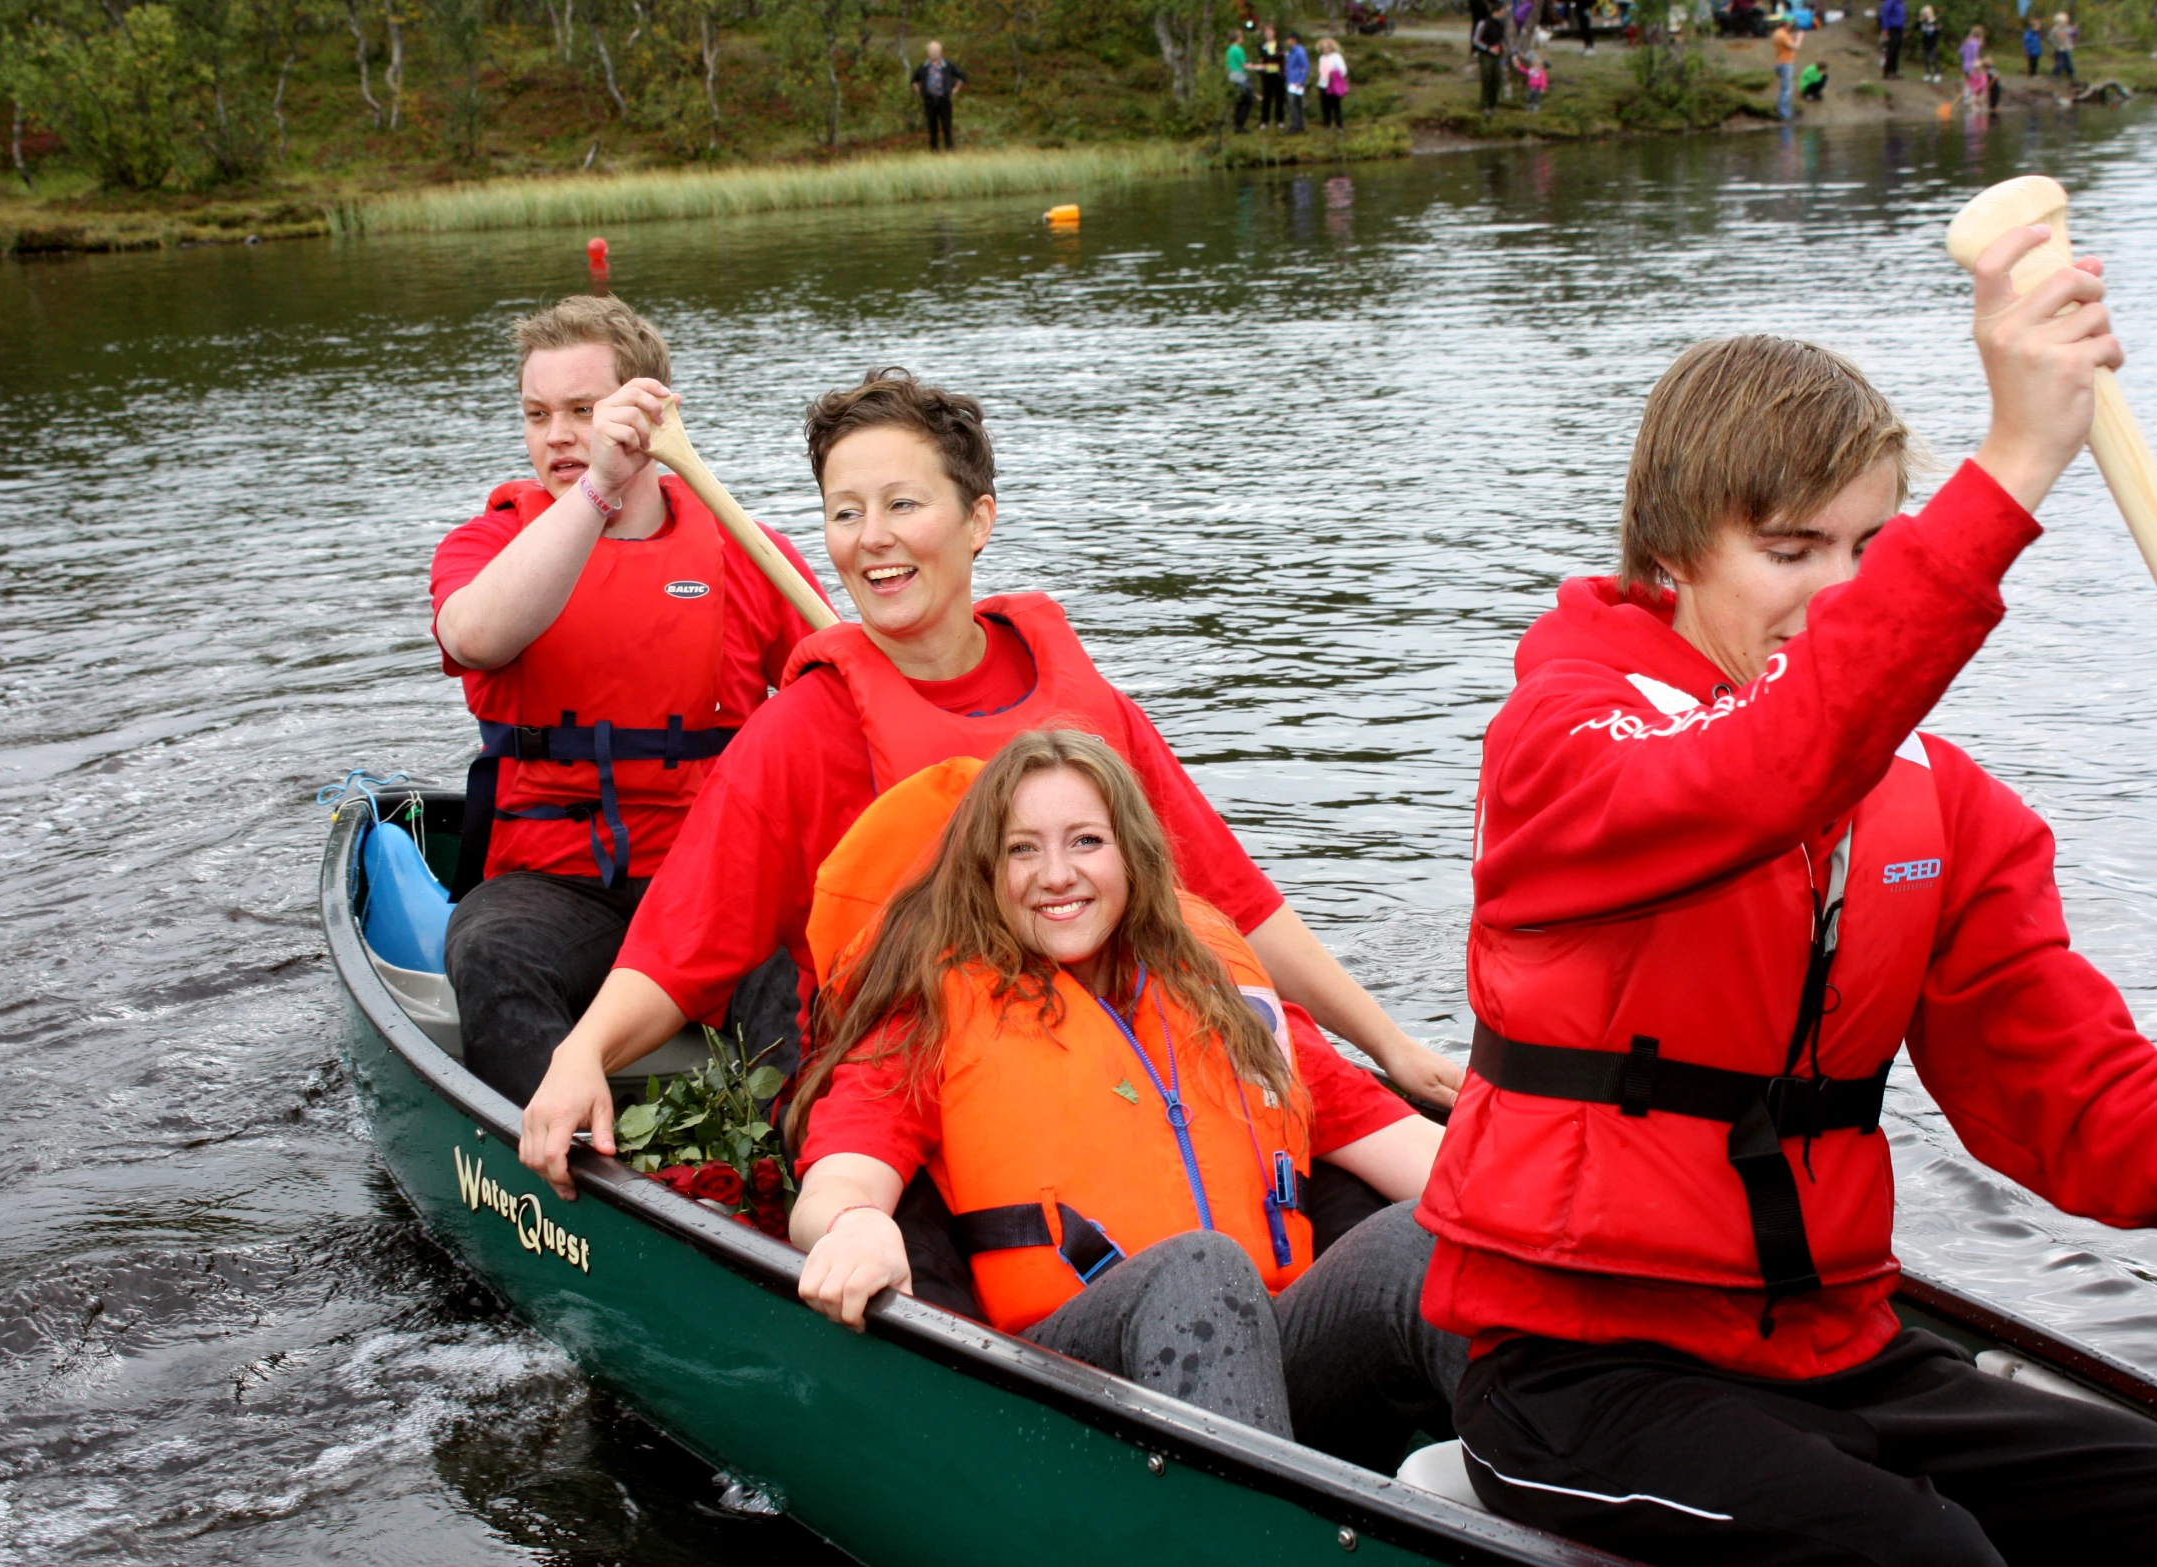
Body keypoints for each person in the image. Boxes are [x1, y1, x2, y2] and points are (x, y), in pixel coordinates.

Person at [1416, 227, 2157, 1559]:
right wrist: (2010, 466)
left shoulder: (1941, 802)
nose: (1840, 594)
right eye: (1791, 549)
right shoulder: (1561, 743)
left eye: (1870, 547)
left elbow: (2071, 1101)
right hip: (1575, 1377)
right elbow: (1767, 767)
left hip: (1837, 1351)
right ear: (1671, 552)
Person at [516, 369, 1464, 1198]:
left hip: (1137, 1058)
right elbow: (680, 948)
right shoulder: (798, 732)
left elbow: (1237, 907)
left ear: (979, 520)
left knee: (1366, 1182)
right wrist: (582, 1053)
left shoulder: (1086, 709)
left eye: (903, 505)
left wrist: (1391, 1047)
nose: (872, 540)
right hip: (930, 1095)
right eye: (845, 512)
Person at [789, 730, 1464, 1464]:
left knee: (1421, 1240)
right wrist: (854, 1224)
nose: (1056, 874)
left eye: (1085, 840)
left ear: (1130, 854)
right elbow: (839, 1176)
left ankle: (1553, 1503)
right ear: (983, 870)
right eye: (1022, 849)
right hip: (1068, 1381)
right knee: (1201, 1269)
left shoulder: (1228, 997)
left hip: (1278, 1351)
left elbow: (1430, 1159)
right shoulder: (931, 1012)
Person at [430, 296, 827, 1104]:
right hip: (551, 883)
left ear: (651, 413)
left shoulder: (747, 552)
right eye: (538, 414)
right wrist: (598, 493)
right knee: (489, 952)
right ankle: (570, 1168)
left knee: (807, 965)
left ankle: (800, 1170)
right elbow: (474, 636)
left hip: (712, 871)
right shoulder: (489, 545)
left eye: (583, 410)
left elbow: (837, 700)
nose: (557, 435)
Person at [909, 41, 967, 152]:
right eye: (931, 51)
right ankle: (934, 150)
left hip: (944, 99)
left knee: (947, 125)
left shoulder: (947, 65)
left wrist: (955, 90)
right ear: (928, 52)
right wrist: (921, 92)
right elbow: (914, 81)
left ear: (940, 51)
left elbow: (962, 76)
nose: (933, 53)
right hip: (929, 100)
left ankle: (950, 149)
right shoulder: (924, 67)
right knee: (932, 127)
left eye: (935, 50)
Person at [1474, 10, 1507, 115]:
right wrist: (1488, 48)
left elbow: (1503, 39)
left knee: (1497, 79)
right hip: (1485, 55)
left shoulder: (1501, 24)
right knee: (1487, 78)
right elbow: (1476, 40)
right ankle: (1485, 105)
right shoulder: (1483, 23)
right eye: (1502, 11)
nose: (1503, 13)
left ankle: (1494, 105)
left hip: (1497, 55)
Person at [1257, 23, 1288, 129]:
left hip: (1278, 74)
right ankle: (1264, 121)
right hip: (1267, 74)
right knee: (1267, 98)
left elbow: (1279, 56)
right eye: (1266, 32)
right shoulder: (1262, 45)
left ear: (1274, 33)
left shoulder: (1279, 44)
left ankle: (1280, 120)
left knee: (1279, 97)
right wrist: (1271, 57)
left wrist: (1271, 57)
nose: (1268, 34)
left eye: (1270, 32)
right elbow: (1264, 56)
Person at [1316, 37, 1351, 128]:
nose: (1325, 49)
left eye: (1327, 47)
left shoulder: (1336, 57)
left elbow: (1343, 70)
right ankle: (1327, 125)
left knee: (1336, 106)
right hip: (1323, 84)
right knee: (1325, 106)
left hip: (1333, 85)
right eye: (1323, 47)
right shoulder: (1321, 58)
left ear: (1332, 47)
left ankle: (1339, 126)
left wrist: (1333, 75)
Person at [1226, 30, 1255, 133]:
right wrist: (1254, 67)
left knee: (1239, 101)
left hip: (1232, 76)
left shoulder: (1229, 49)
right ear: (1238, 38)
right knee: (1247, 100)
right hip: (1240, 76)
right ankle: (1240, 125)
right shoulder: (1238, 49)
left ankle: (1236, 124)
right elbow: (1244, 64)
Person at [1772, 15, 1802, 117]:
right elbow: (1795, 46)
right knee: (1786, 89)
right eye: (1791, 23)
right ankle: (1785, 114)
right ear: (1787, 23)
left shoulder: (1778, 33)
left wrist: (1794, 38)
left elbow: (1787, 44)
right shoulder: (1782, 34)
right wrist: (1800, 37)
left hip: (1780, 62)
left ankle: (1784, 111)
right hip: (1785, 63)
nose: (1792, 25)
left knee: (1784, 88)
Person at [1284, 32, 1311, 132]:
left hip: (1296, 82)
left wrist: (1300, 80)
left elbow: (1305, 67)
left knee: (1293, 104)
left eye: (1288, 39)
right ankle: (1299, 124)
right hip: (1291, 80)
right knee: (1296, 103)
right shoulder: (1292, 51)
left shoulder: (1299, 51)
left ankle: (1296, 125)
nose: (1287, 41)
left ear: (1293, 39)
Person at [1960, 23, 1986, 109]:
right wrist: (1977, 62)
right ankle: (1969, 99)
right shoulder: (1975, 43)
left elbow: (1961, 52)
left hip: (1965, 64)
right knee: (1973, 83)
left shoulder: (1966, 41)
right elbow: (1975, 54)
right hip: (1972, 65)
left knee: (1967, 81)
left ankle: (1966, 98)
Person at [1878, 0, 1907, 76]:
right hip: (1891, 28)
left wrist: (1903, 30)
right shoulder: (1891, 2)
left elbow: (1903, 17)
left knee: (1896, 50)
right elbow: (1885, 14)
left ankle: (1893, 71)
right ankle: (1887, 71)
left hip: (1899, 29)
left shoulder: (1901, 3)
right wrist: (1885, 28)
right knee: (1891, 50)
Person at [1918, 2, 1942, 80]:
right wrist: (1919, 21)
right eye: (1923, 14)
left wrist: (1938, 30)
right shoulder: (1922, 23)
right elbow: (1915, 28)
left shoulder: (1934, 22)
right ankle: (1927, 73)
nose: (1924, 16)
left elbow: (1938, 33)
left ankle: (1938, 73)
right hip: (1925, 43)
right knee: (1926, 59)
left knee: (1933, 59)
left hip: (1933, 44)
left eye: (1925, 14)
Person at [2051, 11, 2075, 81]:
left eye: (2065, 21)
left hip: (2066, 50)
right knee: (2060, 63)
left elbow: (2071, 37)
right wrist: (2058, 46)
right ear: (2058, 22)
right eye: (2063, 21)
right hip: (2059, 50)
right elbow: (2051, 39)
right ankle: (2054, 76)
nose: (2065, 23)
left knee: (2068, 64)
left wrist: (2071, 46)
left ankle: (2071, 76)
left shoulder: (2067, 29)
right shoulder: (2054, 30)